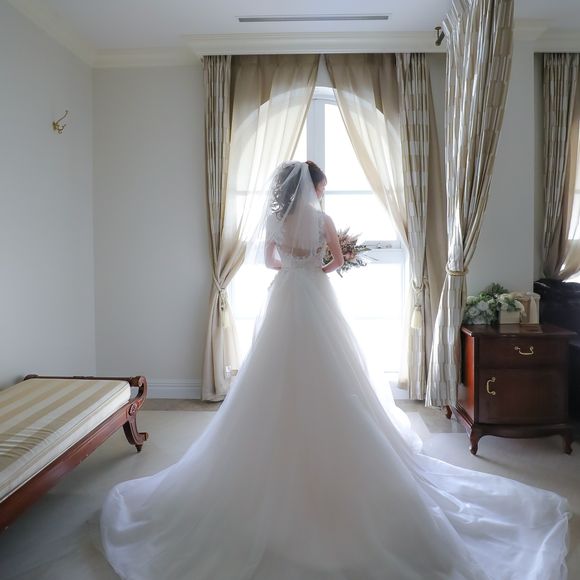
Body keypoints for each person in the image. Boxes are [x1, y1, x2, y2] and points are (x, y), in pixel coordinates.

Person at [101, 161, 569, 580]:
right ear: (312, 188)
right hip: (314, 295)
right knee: (333, 368)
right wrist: (313, 271)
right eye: (320, 187)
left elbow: (268, 261)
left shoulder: (274, 219)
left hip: (284, 296)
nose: (321, 193)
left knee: (273, 370)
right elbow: (337, 260)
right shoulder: (321, 219)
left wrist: (292, 270)